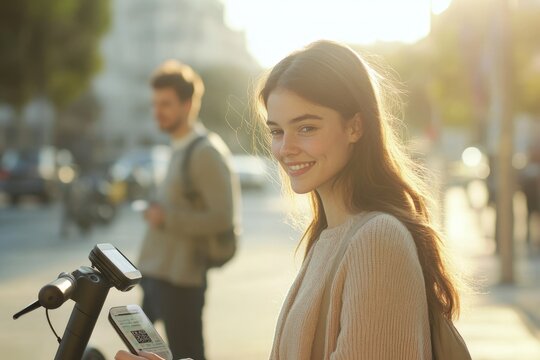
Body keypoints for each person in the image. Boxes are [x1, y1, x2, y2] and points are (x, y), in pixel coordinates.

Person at [116, 40, 462, 360]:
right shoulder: (328, 237)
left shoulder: (377, 240)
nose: (285, 148)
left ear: (355, 127)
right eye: (277, 131)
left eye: (307, 128)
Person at [134, 60, 241, 360]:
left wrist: (166, 218)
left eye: (166, 104)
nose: (158, 111)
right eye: (155, 103)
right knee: (140, 351)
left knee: (186, 354)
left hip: (182, 279)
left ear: (188, 104)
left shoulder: (205, 152)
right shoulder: (177, 145)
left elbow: (223, 217)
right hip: (157, 273)